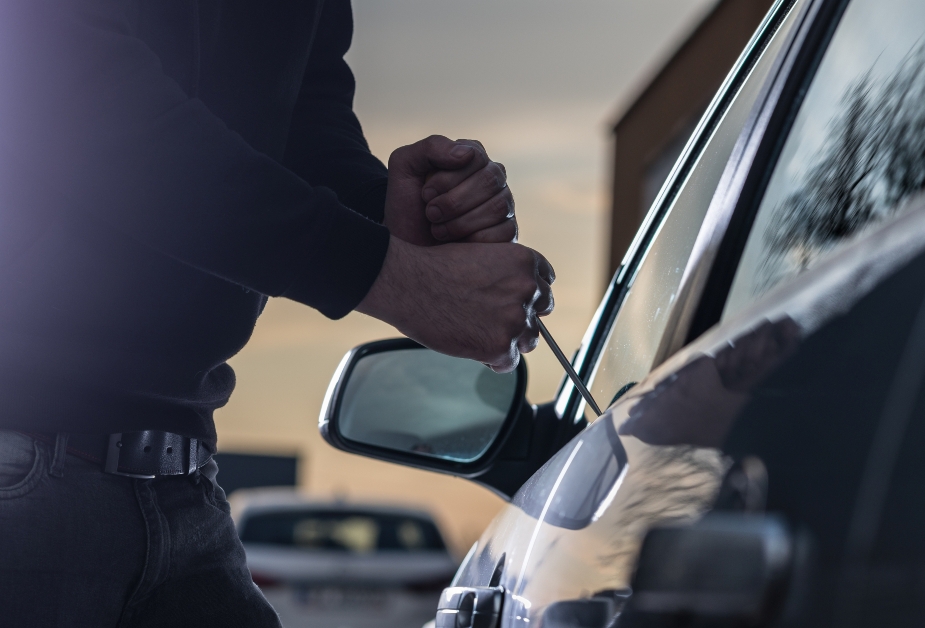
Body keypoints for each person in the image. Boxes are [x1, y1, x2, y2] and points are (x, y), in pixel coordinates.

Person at [0, 0, 552, 625]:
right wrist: (400, 280)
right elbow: (76, 98)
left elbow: (301, 129)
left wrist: (399, 219)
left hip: (181, 480)